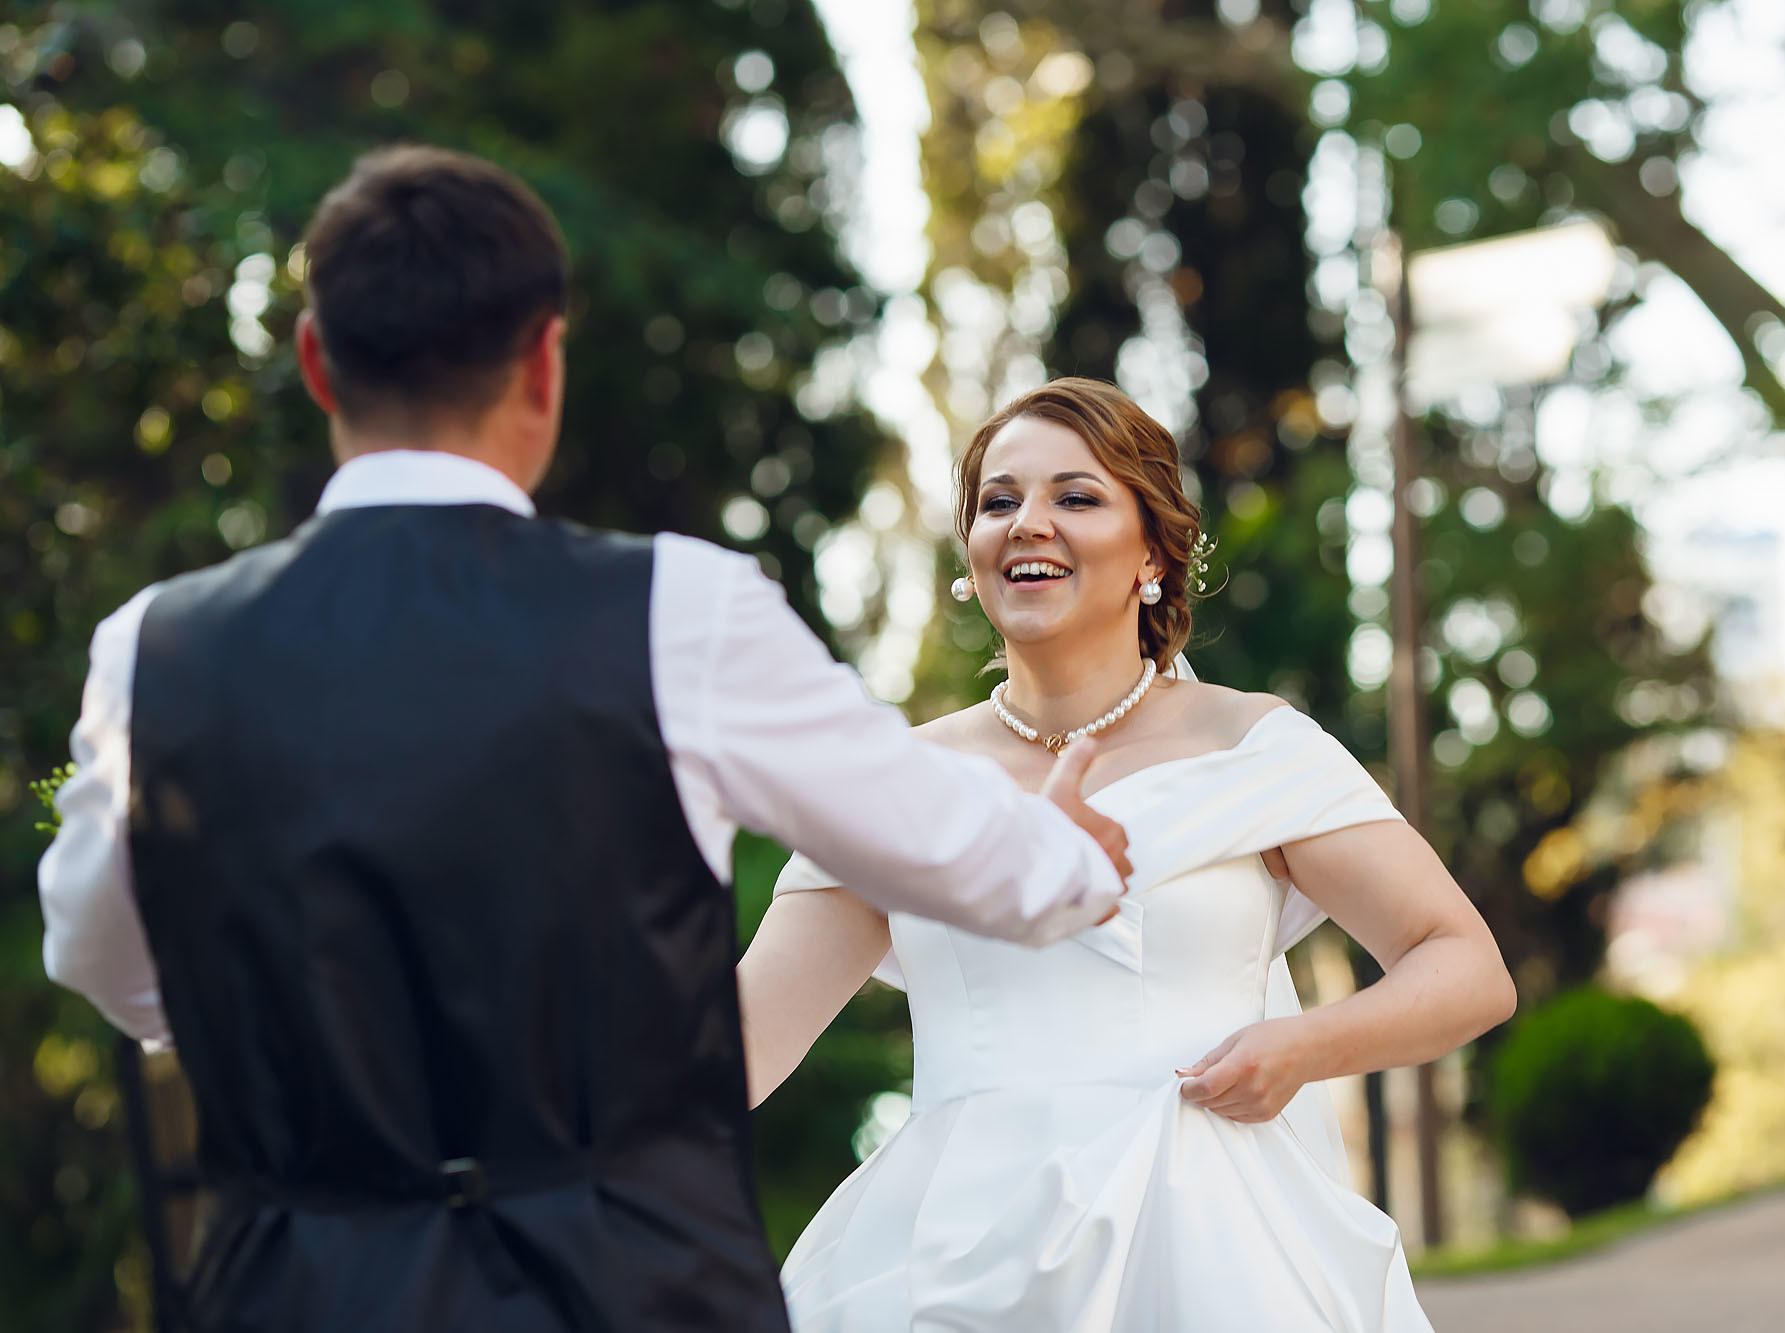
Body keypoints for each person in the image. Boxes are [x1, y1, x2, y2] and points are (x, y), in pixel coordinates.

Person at [36, 146, 1136, 1333]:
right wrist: (1068, 857)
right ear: (544, 363)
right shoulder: (681, 612)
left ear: (315, 361)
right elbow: (955, 850)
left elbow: (105, 960)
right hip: (627, 1288)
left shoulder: (156, 647)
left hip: (298, 1289)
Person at [738, 377, 1517, 1332]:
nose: (1029, 522)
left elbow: (1466, 965)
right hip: (949, 1261)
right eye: (999, 501)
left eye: (1076, 496)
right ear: (971, 555)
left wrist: (1302, 1048)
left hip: (1207, 1240)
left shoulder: (1255, 748)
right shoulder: (891, 783)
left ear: (1152, 551)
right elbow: (747, 1038)